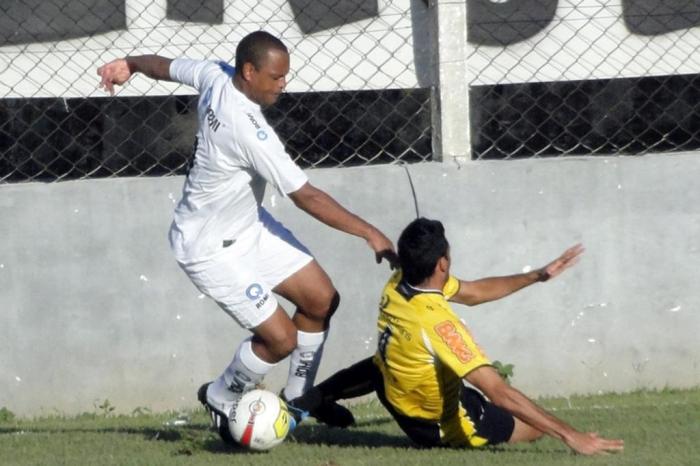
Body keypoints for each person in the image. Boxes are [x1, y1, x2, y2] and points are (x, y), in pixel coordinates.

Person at [96, 31, 396, 444]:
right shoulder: (249, 129)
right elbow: (305, 195)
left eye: (285, 76)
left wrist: (128, 63)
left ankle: (300, 396)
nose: (282, 84)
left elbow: (165, 66)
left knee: (320, 299)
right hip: (206, 247)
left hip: (246, 228)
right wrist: (369, 232)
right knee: (281, 340)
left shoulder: (215, 74)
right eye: (275, 77)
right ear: (250, 72)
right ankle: (222, 395)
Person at [293, 218, 624, 455]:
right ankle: (320, 399)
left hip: (393, 391)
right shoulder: (440, 326)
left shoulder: (398, 282)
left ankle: (315, 398)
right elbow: (498, 392)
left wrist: (537, 276)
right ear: (441, 264)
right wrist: (570, 435)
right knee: (534, 428)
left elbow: (476, 291)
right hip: (434, 426)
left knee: (385, 361)